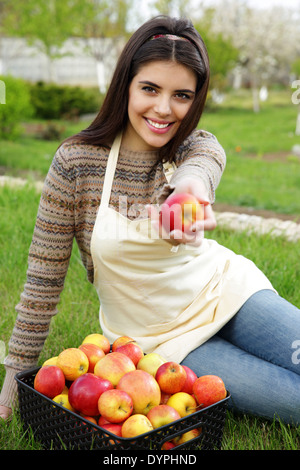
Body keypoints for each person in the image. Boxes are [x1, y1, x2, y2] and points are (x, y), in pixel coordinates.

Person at [0, 15, 299, 427]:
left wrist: (189, 189)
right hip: (163, 341)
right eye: (150, 89)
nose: (163, 108)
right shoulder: (76, 163)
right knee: (293, 401)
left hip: (228, 292)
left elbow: (206, 160)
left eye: (181, 95)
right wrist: (16, 373)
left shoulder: (191, 147)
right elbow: (42, 280)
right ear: (125, 84)